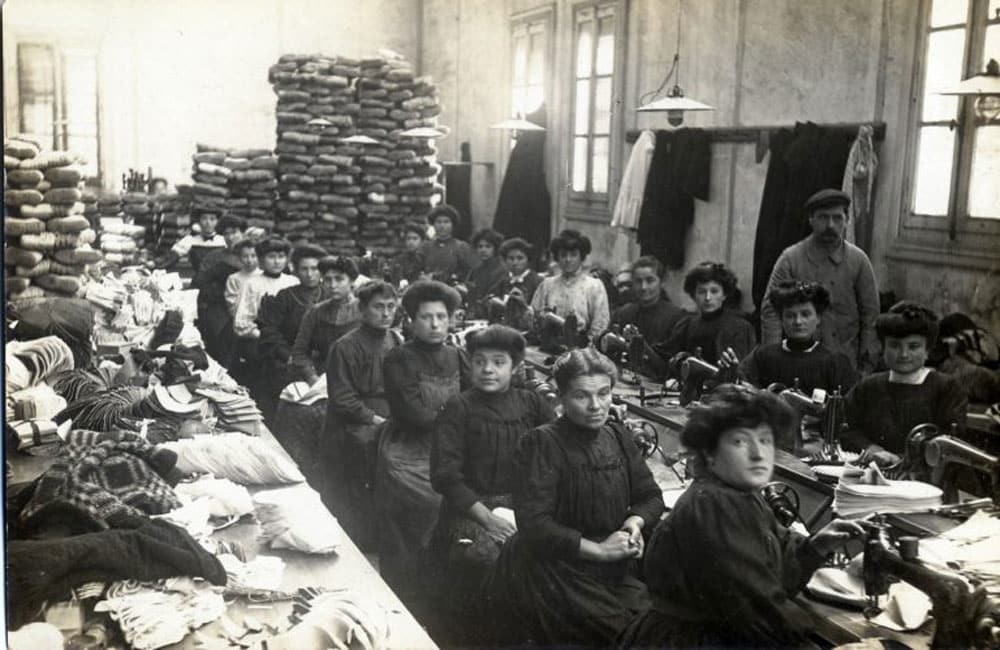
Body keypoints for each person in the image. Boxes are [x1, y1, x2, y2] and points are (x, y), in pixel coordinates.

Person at [617, 385, 864, 648]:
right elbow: (755, 602)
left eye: (765, 440)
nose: (758, 453)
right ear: (710, 453)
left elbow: (773, 575)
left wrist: (816, 547)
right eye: (739, 441)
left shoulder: (743, 496)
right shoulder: (715, 503)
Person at [484, 348, 665, 647]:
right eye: (582, 396)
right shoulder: (542, 443)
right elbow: (535, 525)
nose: (596, 405)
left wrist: (634, 523)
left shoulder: (618, 435)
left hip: (611, 569)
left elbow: (650, 496)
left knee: (657, 629)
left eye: (604, 393)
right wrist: (601, 551)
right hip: (551, 570)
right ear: (562, 396)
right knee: (629, 636)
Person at [428, 325, 556, 644]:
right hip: (471, 509)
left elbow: (557, 453)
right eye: (480, 361)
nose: (488, 370)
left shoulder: (532, 404)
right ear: (469, 364)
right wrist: (489, 519)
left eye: (499, 362)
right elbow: (445, 476)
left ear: (516, 367)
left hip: (525, 507)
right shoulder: (459, 407)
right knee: (484, 561)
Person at [377, 281, 471, 607]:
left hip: (449, 449)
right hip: (409, 453)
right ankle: (407, 598)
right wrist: (461, 421)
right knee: (427, 510)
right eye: (427, 317)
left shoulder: (458, 355)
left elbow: (476, 401)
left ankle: (444, 598)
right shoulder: (398, 359)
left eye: (441, 317)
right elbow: (413, 414)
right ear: (411, 320)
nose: (435, 325)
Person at [761, 189, 880, 373]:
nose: (830, 225)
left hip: (845, 361)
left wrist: (867, 364)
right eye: (823, 218)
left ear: (846, 220)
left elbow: (871, 316)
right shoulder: (791, 259)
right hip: (798, 360)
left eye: (837, 218)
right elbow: (771, 310)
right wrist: (773, 359)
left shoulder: (859, 261)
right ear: (811, 219)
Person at [323, 281, 402, 549]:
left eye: (391, 307)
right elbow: (343, 398)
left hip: (391, 416)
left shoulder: (396, 340)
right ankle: (362, 543)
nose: (386, 313)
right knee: (365, 463)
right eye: (378, 307)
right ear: (363, 309)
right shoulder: (345, 347)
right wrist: (377, 420)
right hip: (355, 422)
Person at [842, 302, 967, 465]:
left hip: (927, 482)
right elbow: (844, 426)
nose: (904, 354)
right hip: (875, 474)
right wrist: (871, 449)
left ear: (927, 351)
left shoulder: (946, 388)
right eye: (894, 345)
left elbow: (951, 442)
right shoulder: (869, 386)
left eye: (913, 346)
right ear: (883, 348)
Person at [255, 244, 333, 419]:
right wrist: (288, 355)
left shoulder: (329, 296)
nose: (310, 274)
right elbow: (270, 331)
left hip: (323, 361)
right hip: (289, 360)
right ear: (296, 271)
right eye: (304, 269)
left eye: (315, 269)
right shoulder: (285, 297)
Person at [740, 280, 856, 395]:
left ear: (818, 318)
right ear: (781, 319)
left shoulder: (834, 362)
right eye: (790, 315)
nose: (798, 321)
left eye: (805, 314)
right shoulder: (762, 356)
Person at [656, 261, 756, 369]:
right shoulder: (687, 324)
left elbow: (742, 369)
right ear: (694, 295)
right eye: (701, 292)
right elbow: (665, 356)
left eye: (714, 291)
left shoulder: (739, 327)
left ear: (724, 295)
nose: (708, 298)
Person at [606, 256, 686, 379]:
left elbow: (669, 367)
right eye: (638, 281)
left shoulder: (676, 317)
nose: (643, 287)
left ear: (661, 282)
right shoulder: (622, 314)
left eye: (650, 280)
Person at [288, 256, 361, 385]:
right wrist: (312, 378)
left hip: (359, 378)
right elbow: (299, 351)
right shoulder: (315, 312)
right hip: (324, 378)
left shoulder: (365, 311)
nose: (333, 285)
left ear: (352, 281)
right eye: (327, 280)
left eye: (339, 279)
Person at [530, 229, 611, 343]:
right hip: (548, 344)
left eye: (573, 255)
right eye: (563, 255)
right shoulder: (547, 284)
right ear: (557, 258)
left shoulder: (594, 286)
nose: (568, 260)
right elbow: (534, 316)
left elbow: (600, 324)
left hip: (581, 346)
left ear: (581, 257)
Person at [191, 215, 247, 364]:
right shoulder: (215, 257)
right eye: (226, 234)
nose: (230, 237)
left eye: (234, 232)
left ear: (243, 233)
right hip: (220, 308)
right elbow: (198, 284)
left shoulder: (253, 256)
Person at [419, 205, 479, 283]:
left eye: (446, 222)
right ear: (433, 224)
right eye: (438, 222)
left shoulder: (461, 247)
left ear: (453, 224)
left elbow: (470, 272)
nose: (442, 226)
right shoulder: (425, 247)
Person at [155, 211, 227, 273]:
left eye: (212, 219)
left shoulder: (224, 240)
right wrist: (155, 263)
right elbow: (172, 256)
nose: (208, 223)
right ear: (199, 221)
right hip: (199, 280)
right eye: (204, 218)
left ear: (217, 222)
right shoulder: (190, 240)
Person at [464, 228, 507, 317]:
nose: (483, 250)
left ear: (495, 249)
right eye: (480, 246)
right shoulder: (475, 270)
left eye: (488, 246)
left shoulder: (502, 270)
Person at [497, 237, 542, 304]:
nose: (515, 262)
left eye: (520, 258)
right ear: (505, 260)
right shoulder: (503, 280)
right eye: (511, 258)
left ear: (528, 259)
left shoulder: (537, 282)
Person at [224, 239, 260, 320]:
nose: (249, 260)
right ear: (239, 258)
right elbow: (231, 302)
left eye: (253, 256)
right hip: (241, 318)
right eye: (245, 256)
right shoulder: (234, 278)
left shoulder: (263, 275)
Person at [391, 221, 428, 286]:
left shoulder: (426, 258)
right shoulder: (399, 259)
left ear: (422, 241)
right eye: (408, 238)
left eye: (415, 238)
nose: (411, 242)